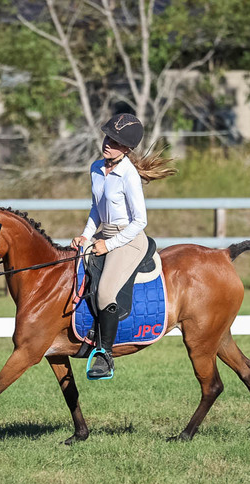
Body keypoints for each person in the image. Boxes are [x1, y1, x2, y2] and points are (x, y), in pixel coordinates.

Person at [71, 113, 176, 379]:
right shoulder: (96, 168)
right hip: (103, 235)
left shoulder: (128, 174)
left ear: (126, 149)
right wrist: (85, 237)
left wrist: (110, 245)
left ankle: (105, 356)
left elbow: (140, 220)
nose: (108, 143)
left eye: (115, 142)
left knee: (106, 291)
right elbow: (97, 209)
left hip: (128, 239)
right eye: (108, 137)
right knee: (69, 266)